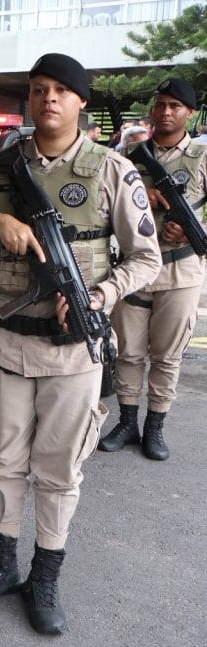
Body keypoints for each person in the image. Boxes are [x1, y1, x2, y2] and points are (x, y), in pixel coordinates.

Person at [0, 53, 162, 635]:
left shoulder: (113, 170)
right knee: (4, 463)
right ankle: (1, 567)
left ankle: (44, 578)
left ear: (82, 101)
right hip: (6, 346)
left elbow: (146, 259)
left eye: (62, 90)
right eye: (38, 90)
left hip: (72, 354)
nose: (49, 99)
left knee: (59, 472)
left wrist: (101, 295)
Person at [100, 78, 207, 461]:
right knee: (128, 352)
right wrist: (136, 193)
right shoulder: (128, 154)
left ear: (189, 113)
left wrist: (192, 232)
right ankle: (128, 422)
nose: (165, 112)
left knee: (167, 355)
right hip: (134, 268)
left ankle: (155, 427)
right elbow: (102, 205)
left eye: (175, 106)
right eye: (160, 104)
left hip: (180, 271)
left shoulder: (202, 157)